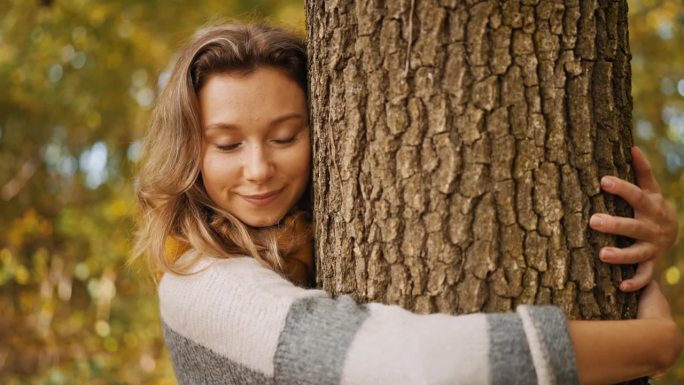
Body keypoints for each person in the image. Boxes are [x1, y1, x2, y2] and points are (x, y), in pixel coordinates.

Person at [132, 23, 682, 385]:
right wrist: (652, 344)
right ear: (190, 152)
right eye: (227, 145)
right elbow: (415, 363)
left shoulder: (308, 238)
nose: (258, 169)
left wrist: (636, 242)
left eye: (284, 137)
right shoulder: (201, 284)